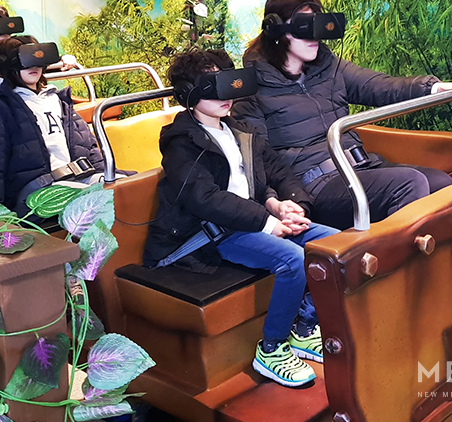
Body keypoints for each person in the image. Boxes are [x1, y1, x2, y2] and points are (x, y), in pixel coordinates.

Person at [143, 49, 340, 388]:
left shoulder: (240, 131)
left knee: (334, 243)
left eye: (228, 82)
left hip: (250, 220)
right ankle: (272, 348)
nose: (226, 95)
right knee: (292, 259)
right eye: (213, 86)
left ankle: (304, 327)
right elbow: (205, 199)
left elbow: (277, 170)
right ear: (189, 93)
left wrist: (291, 205)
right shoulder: (181, 143)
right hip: (210, 236)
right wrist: (268, 222)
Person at [232, 0, 452, 229]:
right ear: (275, 30)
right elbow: (256, 158)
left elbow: (383, 86)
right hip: (313, 186)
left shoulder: (329, 67)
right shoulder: (252, 88)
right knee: (408, 185)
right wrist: (277, 203)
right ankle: (391, 264)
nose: (314, 35)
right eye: (303, 26)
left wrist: (443, 88)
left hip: (360, 166)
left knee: (440, 184)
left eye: (317, 25)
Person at [0, 37, 106, 219]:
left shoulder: (58, 100)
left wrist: (106, 174)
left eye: (37, 59)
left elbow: (87, 145)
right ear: (9, 64)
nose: (34, 66)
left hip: (77, 177)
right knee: (97, 200)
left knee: (125, 186)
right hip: (37, 191)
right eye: (25, 60)